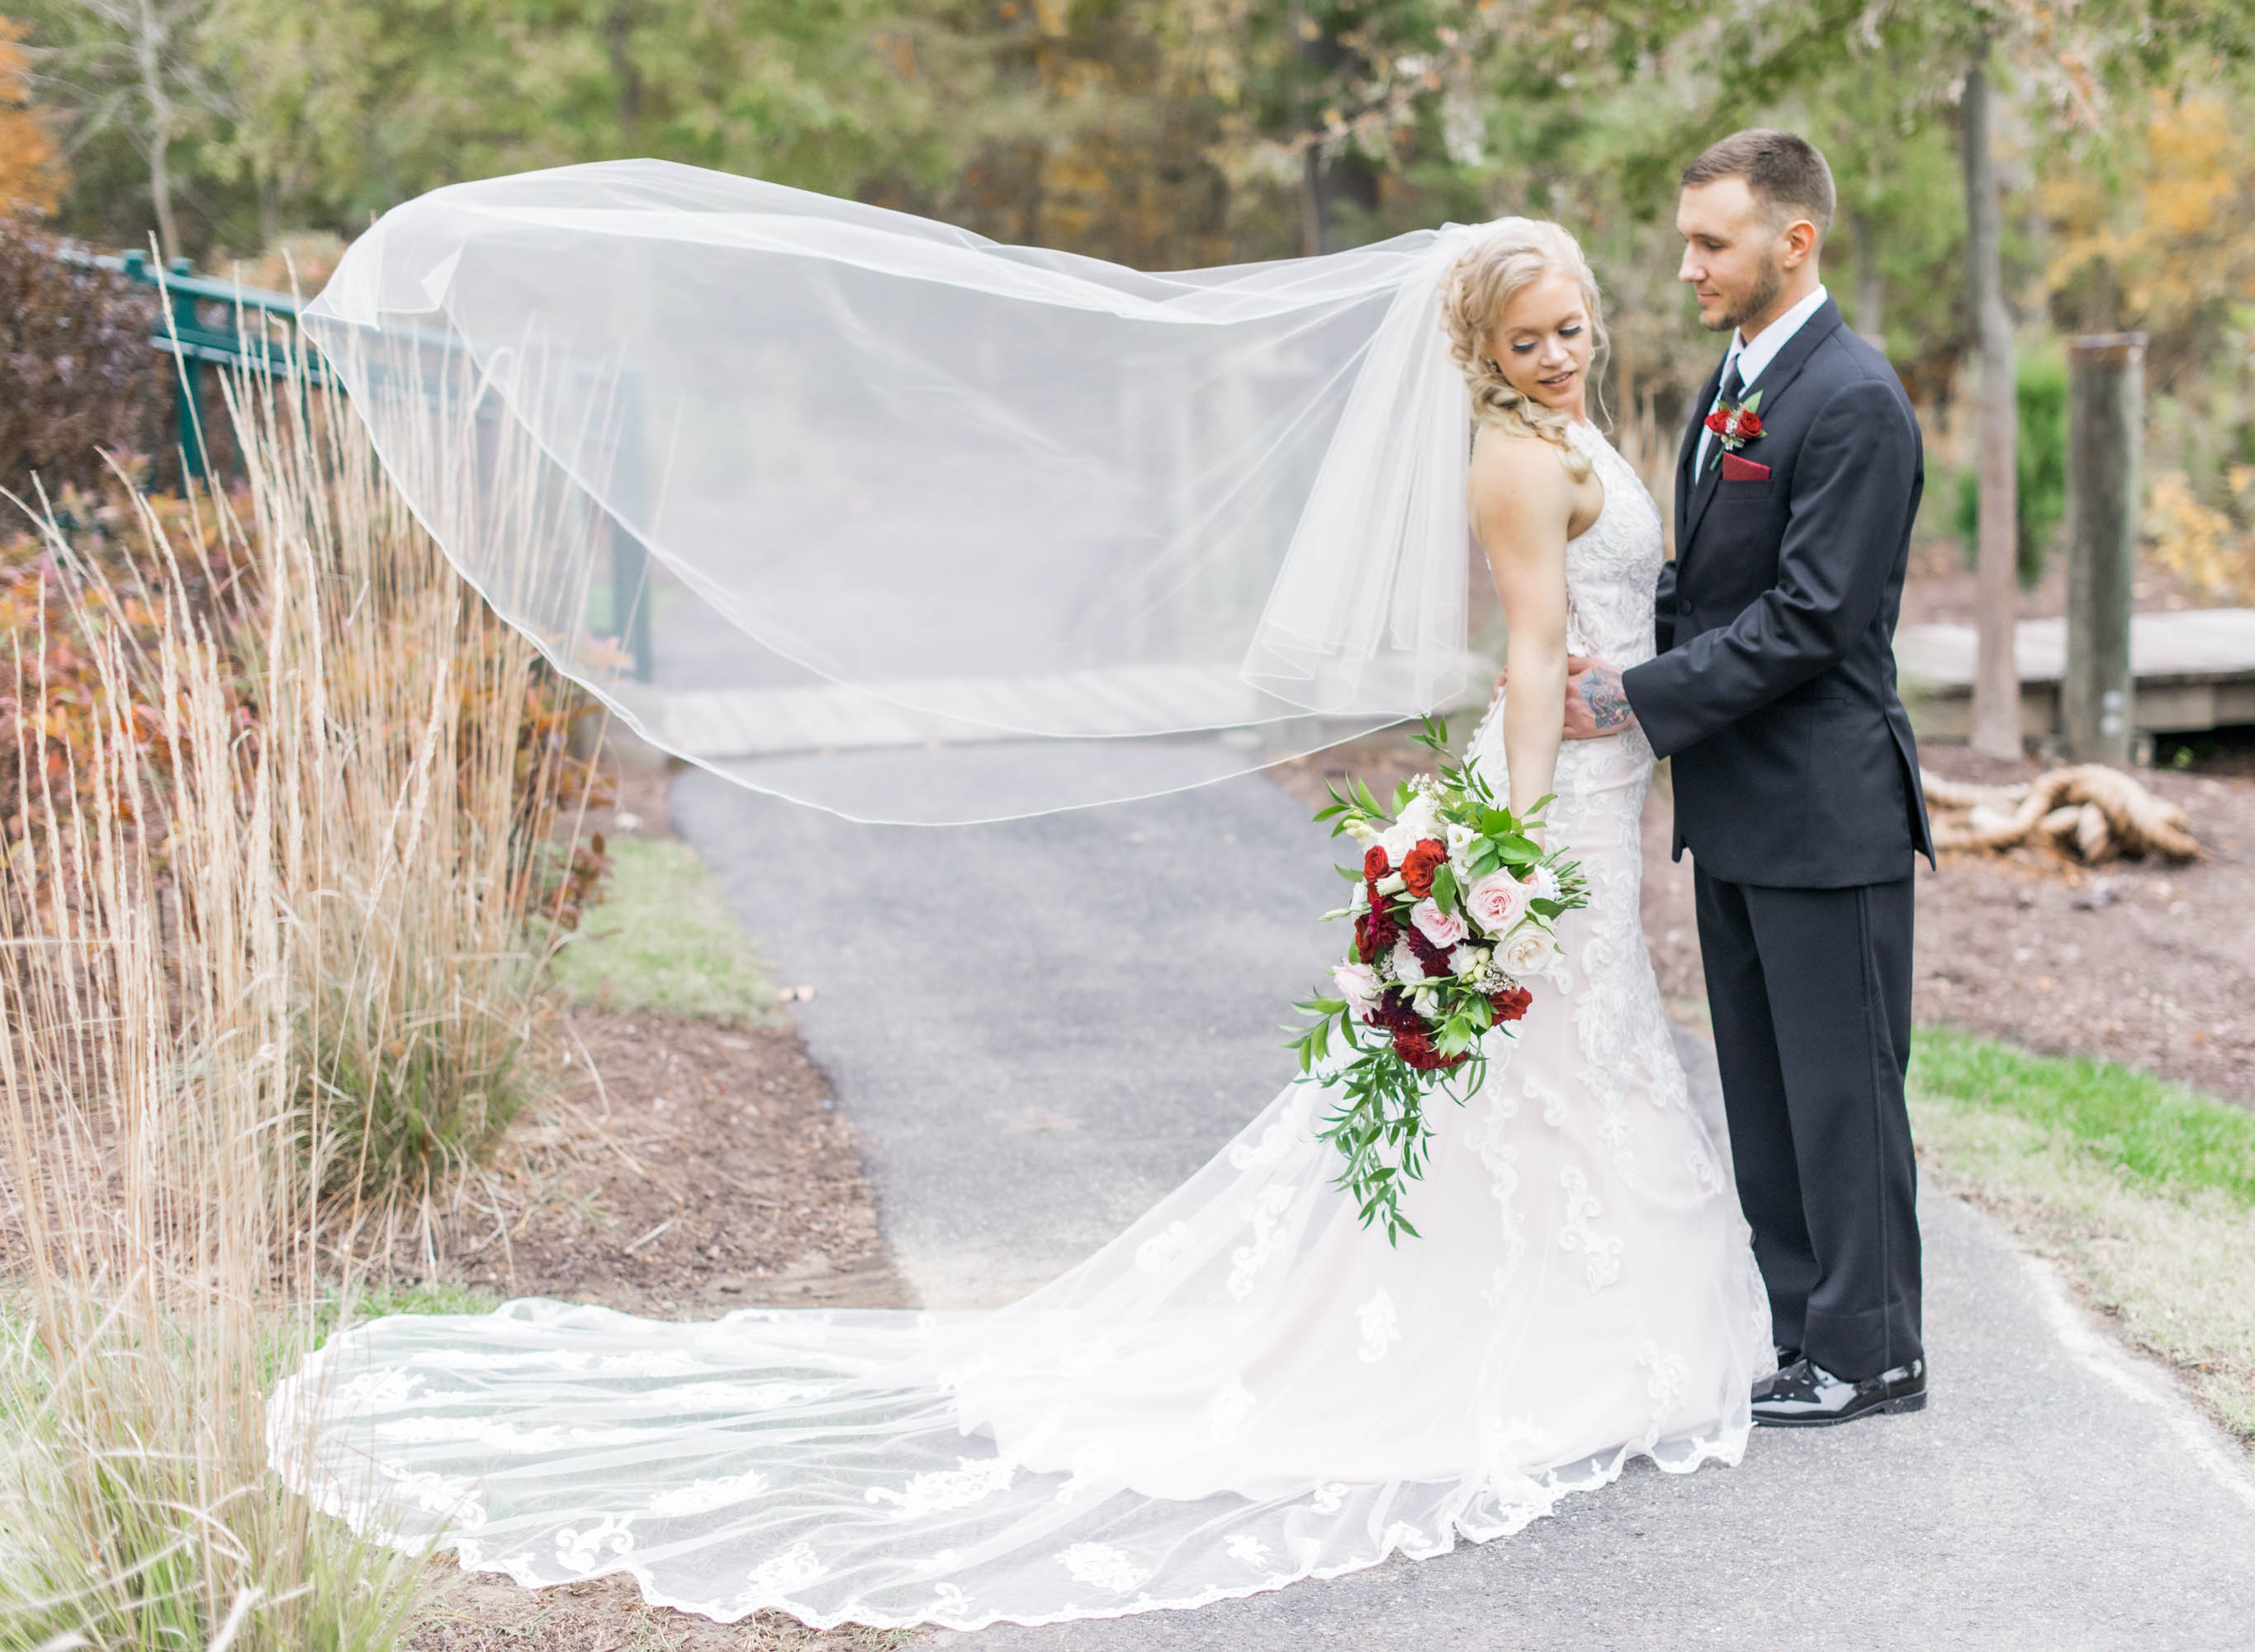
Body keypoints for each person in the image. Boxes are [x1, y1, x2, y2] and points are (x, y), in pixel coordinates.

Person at [272, 214, 1773, 1634]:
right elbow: (1524, 657)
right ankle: (1508, 1339)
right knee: (1536, 1062)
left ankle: (1550, 1317)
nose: (1562, 354)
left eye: (1574, 327)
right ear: (1479, 354)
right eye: (1528, 342)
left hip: (1598, 774)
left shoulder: (1566, 433)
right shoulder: (1512, 464)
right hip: (1551, 795)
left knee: (1558, 1064)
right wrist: (1506, 842)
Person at [1556, 130, 1937, 1427]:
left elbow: (1810, 617)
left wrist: (1629, 693)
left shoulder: (1855, 400)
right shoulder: (1739, 379)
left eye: (1710, 241)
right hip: (1734, 806)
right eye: (1685, 240)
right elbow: (1714, 585)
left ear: (1794, 240)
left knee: (1842, 1094)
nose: (1686, 266)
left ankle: (1873, 1350)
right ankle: (1802, 1334)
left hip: (1828, 809)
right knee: (1767, 1094)